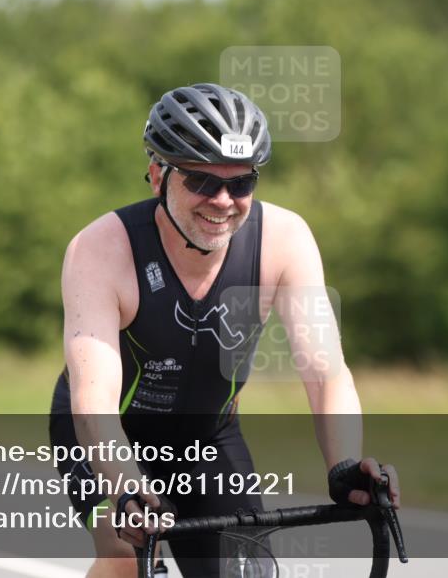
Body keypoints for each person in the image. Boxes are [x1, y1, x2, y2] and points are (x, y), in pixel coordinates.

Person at [48, 83, 400, 577]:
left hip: (207, 437)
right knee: (127, 559)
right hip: (107, 434)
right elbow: (94, 402)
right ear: (156, 174)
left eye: (241, 184)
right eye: (199, 181)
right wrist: (127, 487)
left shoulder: (284, 240)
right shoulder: (100, 250)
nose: (222, 201)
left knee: (245, 572)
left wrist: (344, 466)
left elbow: (325, 371)